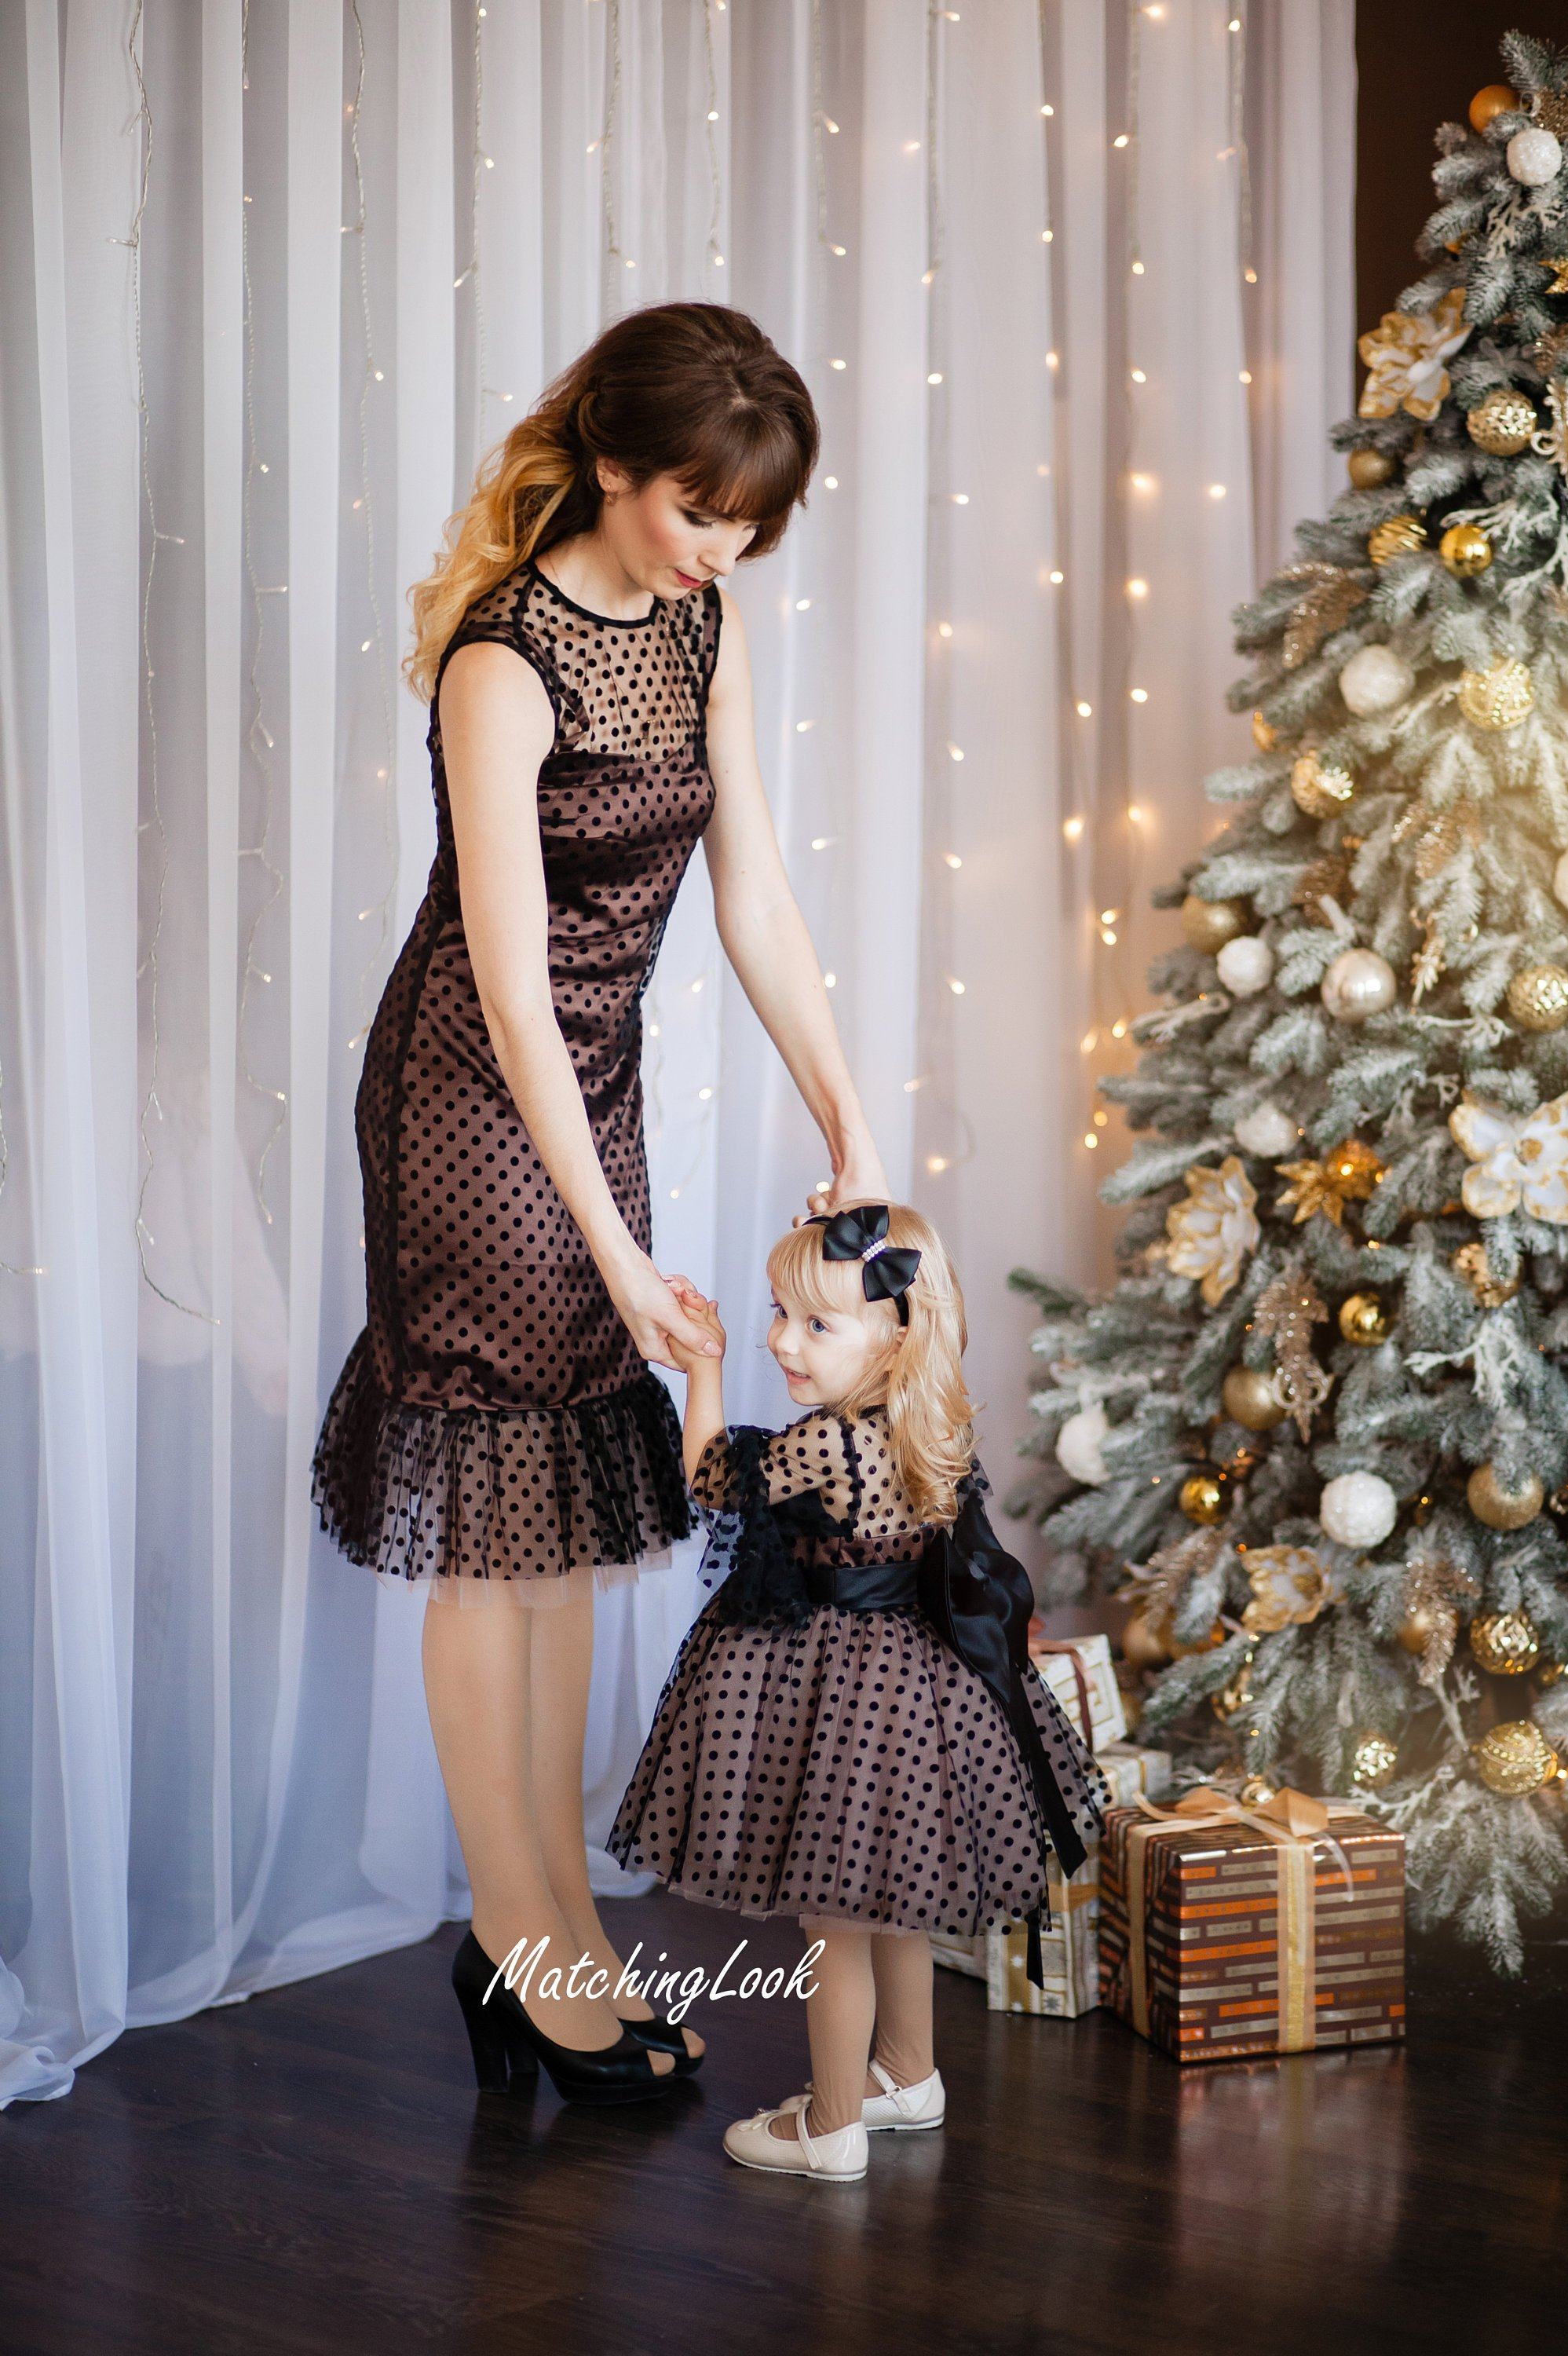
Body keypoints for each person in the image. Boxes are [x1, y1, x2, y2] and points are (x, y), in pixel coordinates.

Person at [310, 302, 889, 2106]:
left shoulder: (701, 622)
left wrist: (848, 1117)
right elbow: (499, 983)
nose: (720, 547)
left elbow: (757, 901)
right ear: (618, 469)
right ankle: (527, 1940)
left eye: (748, 524)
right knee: (497, 1540)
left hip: (592, 1098)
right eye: (696, 510)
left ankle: (546, 1920)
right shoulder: (504, 656)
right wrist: (617, 1244)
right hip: (471, 1108)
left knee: (560, 1536)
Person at [608, 1202, 1111, 2176]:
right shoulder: (927, 1422)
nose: (777, 1340)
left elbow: (712, 1478)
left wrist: (701, 1368)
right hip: (919, 1690)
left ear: (892, 1339)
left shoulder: (829, 1446)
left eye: (813, 1323)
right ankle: (905, 2074)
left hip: (840, 1692)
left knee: (833, 1919)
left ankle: (831, 2124)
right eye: (777, 1313)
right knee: (893, 1902)